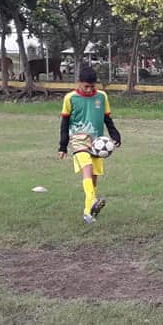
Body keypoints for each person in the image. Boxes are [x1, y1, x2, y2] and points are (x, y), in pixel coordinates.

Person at [58, 66, 121, 224]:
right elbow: (64, 123)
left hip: (97, 141)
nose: (89, 89)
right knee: (87, 167)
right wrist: (63, 146)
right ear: (78, 82)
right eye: (86, 86)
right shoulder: (70, 98)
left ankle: (88, 212)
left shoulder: (102, 96)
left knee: (93, 178)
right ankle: (93, 200)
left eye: (92, 86)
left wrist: (115, 134)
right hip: (78, 139)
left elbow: (107, 119)